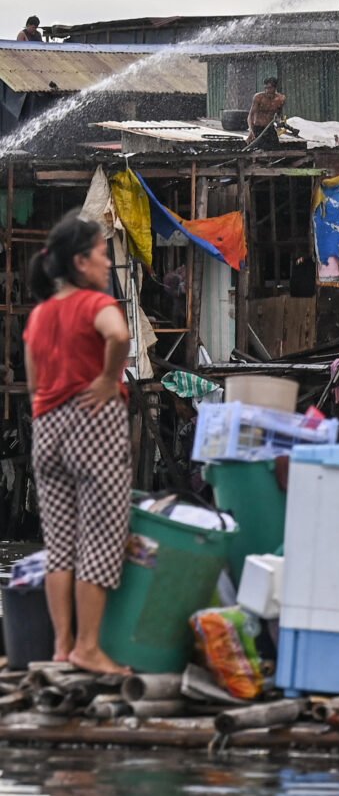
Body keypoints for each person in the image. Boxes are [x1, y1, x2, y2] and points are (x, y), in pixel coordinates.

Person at [22, 214, 132, 676]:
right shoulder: (93, 303)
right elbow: (120, 336)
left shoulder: (40, 313)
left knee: (60, 545)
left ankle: (62, 647)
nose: (108, 262)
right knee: (102, 539)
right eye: (103, 253)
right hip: (93, 421)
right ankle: (89, 646)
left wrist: (50, 408)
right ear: (81, 260)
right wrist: (108, 379)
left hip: (47, 428)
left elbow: (32, 384)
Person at [247, 78, 286, 143]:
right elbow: (250, 116)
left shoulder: (280, 99)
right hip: (258, 128)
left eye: (270, 88)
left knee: (275, 149)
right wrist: (251, 131)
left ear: (275, 88)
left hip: (269, 128)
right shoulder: (259, 97)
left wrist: (279, 122)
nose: (267, 90)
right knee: (258, 149)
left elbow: (278, 115)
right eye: (266, 88)